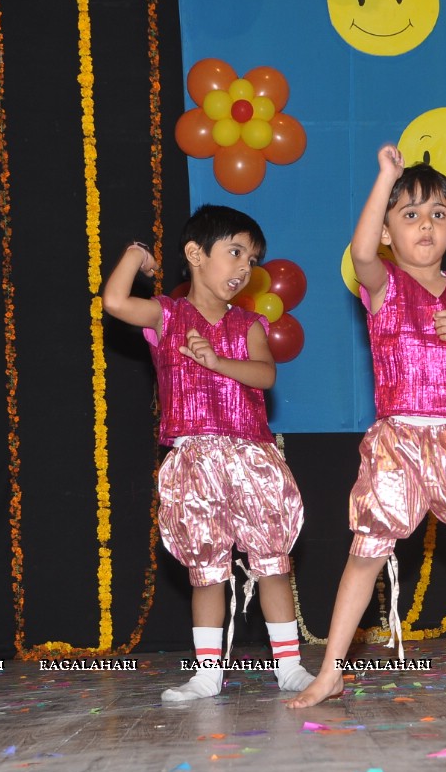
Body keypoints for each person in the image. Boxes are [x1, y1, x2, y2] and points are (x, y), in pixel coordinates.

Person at [288, 145, 446, 708]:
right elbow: (360, 248)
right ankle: (330, 671)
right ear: (392, 232)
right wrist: (385, 179)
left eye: (439, 215)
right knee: (366, 551)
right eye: (411, 214)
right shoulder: (384, 285)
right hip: (402, 439)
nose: (426, 225)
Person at [102, 205, 315, 701]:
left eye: (252, 259)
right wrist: (136, 255)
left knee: (272, 564)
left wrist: (218, 361)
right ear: (195, 255)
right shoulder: (166, 314)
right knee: (207, 571)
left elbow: (265, 375)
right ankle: (206, 675)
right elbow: (114, 301)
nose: (244, 268)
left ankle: (289, 667)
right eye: (235, 252)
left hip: (251, 456)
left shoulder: (249, 324)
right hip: (194, 459)